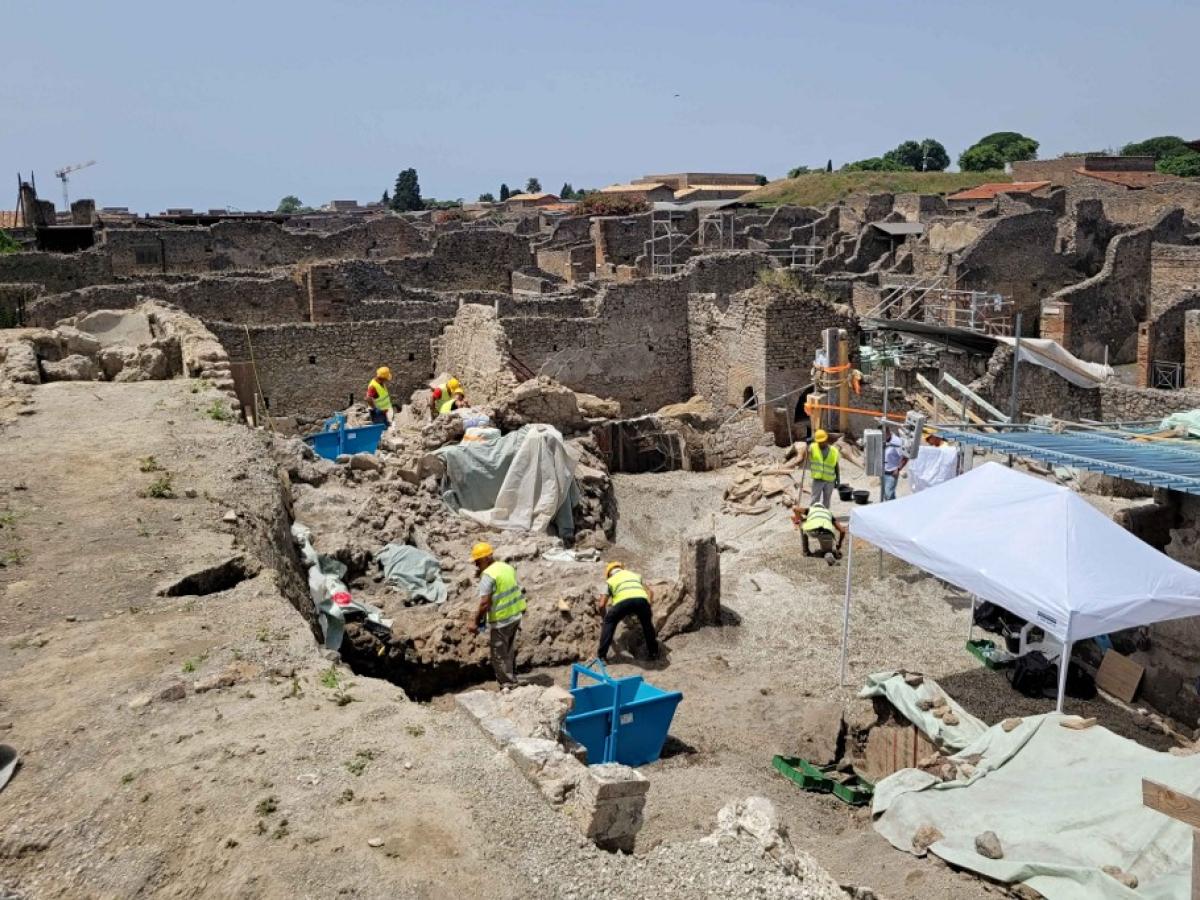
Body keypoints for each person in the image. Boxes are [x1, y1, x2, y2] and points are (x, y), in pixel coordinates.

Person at [472, 542, 526, 687]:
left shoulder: (488, 576)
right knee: (508, 649)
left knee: (499, 654)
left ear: (486, 558)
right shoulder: (506, 567)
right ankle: (512, 676)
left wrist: (476, 622)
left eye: (477, 561)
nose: (476, 565)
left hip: (502, 619)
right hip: (515, 615)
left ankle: (508, 684)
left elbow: (484, 604)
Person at [596, 562, 659, 663]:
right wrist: (647, 606)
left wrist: (605, 619)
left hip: (622, 603)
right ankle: (654, 653)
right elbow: (650, 592)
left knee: (609, 622)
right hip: (641, 600)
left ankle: (602, 656)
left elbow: (601, 605)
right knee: (647, 624)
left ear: (609, 574)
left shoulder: (610, 581)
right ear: (621, 569)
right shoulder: (635, 575)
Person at [795, 429, 840, 507]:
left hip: (830, 480)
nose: (820, 443)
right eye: (818, 442)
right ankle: (813, 515)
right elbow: (806, 457)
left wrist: (838, 479)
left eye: (822, 441)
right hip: (818, 479)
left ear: (826, 439)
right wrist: (807, 448)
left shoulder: (834, 450)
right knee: (814, 500)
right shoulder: (813, 447)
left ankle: (825, 516)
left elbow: (836, 465)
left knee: (827, 500)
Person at [883, 426, 908, 501]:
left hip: (892, 473)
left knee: (888, 494)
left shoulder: (897, 442)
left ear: (888, 432)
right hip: (883, 471)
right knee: (886, 493)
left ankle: (891, 510)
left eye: (883, 435)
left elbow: (905, 457)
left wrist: (898, 469)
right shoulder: (883, 440)